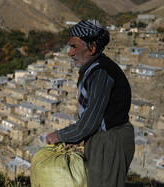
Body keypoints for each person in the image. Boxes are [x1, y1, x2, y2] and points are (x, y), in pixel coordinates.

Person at [45, 19, 135, 187]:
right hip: (102, 139)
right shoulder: (94, 69)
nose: (70, 53)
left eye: (74, 47)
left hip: (110, 142)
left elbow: (90, 121)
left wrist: (59, 135)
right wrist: (78, 137)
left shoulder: (101, 73)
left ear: (92, 48)